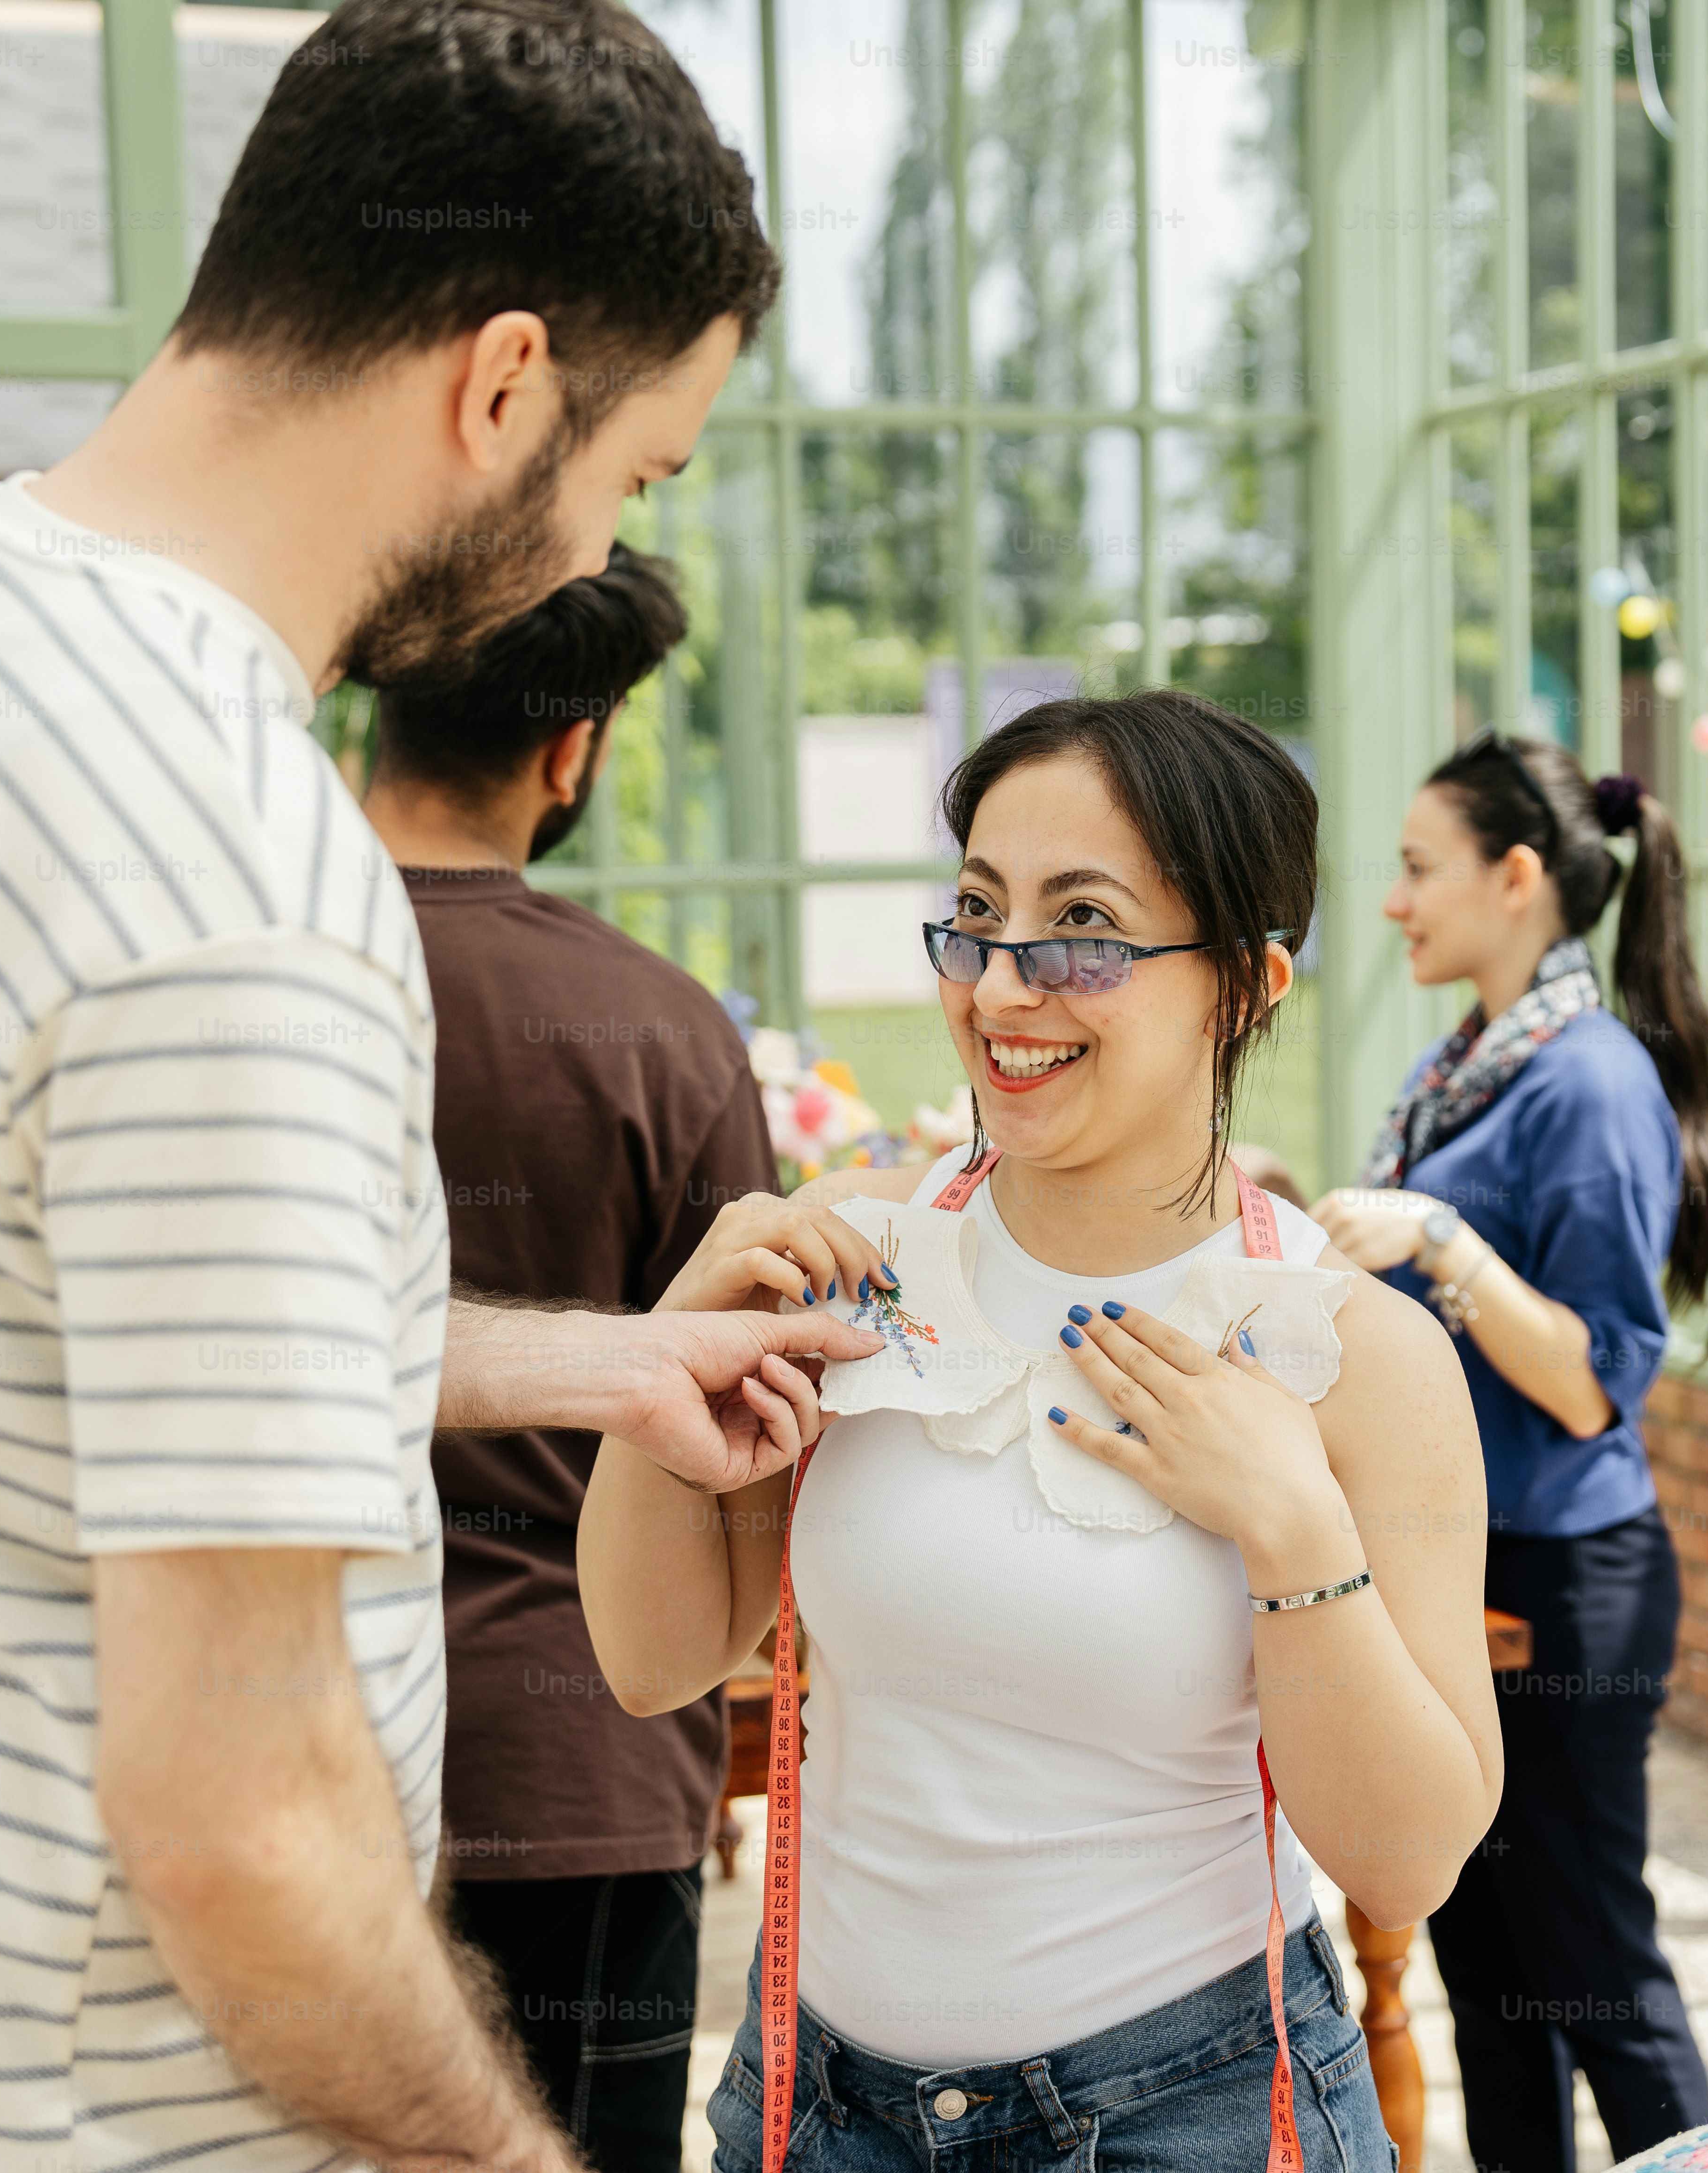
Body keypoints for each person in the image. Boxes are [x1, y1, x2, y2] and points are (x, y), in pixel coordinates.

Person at [0, 7, 881, 2173]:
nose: (592, 561)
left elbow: (38, 1332)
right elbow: (243, 1837)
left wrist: (610, 1364)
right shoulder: (232, 869)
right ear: (504, 383)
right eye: (634, 475)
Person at [581, 691, 1505, 2172]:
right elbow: (652, 1662)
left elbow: (1406, 1862)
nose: (1002, 988)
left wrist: (1292, 1527)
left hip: (1183, 2116)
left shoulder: (1349, 1354)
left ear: (1249, 986)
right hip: (821, 2109)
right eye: (973, 915)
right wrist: (660, 1374)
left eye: (1082, 928)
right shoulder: (852, 1255)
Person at [363, 545, 774, 2173]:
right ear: (571, 750)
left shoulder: (252, 986)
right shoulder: (656, 1028)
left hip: (285, 1747)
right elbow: (750, 1394)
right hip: (579, 1750)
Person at [1315, 733, 1708, 2173]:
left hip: (1566, 1584)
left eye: (1416, 867)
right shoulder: (1474, 1067)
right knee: (1494, 1988)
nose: (1390, 902)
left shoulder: (1589, 1082)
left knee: (1593, 1971)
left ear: (1516, 879)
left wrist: (1437, 1239)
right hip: (1468, 1570)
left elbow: (1589, 1382)